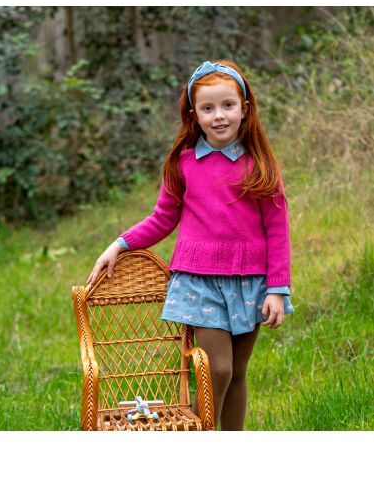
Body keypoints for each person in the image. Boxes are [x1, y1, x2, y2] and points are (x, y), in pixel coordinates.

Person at [87, 59, 294, 431]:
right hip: (199, 281)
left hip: (250, 281)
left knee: (238, 373)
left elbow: (278, 229)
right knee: (219, 367)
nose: (219, 116)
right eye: (208, 108)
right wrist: (121, 243)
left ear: (244, 109)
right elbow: (163, 218)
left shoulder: (260, 164)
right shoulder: (183, 163)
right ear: (193, 113)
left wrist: (277, 289)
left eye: (228, 106)